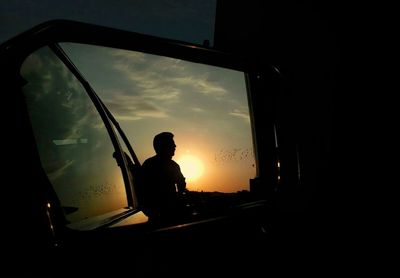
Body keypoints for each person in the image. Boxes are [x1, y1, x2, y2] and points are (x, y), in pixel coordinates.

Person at [139, 132, 187, 223]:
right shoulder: (172, 166)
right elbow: (182, 186)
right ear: (164, 146)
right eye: (172, 144)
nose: (175, 146)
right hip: (164, 216)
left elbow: (182, 186)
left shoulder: (148, 164)